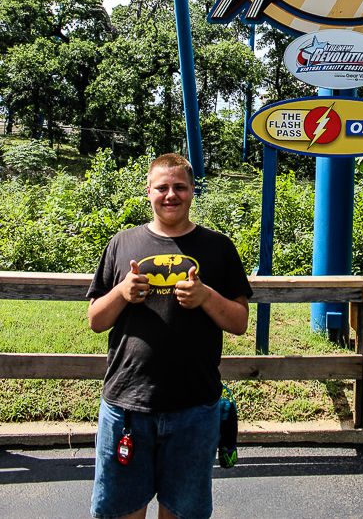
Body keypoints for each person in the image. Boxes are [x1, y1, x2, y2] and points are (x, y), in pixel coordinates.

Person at [87, 153, 252, 519]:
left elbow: (239, 322)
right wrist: (121, 292)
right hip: (126, 406)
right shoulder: (122, 244)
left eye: (179, 187)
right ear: (148, 191)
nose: (170, 195)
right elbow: (96, 320)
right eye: (162, 187)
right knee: (121, 511)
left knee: (182, 513)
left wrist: (206, 296)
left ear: (193, 191)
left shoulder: (218, 248)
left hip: (195, 408)